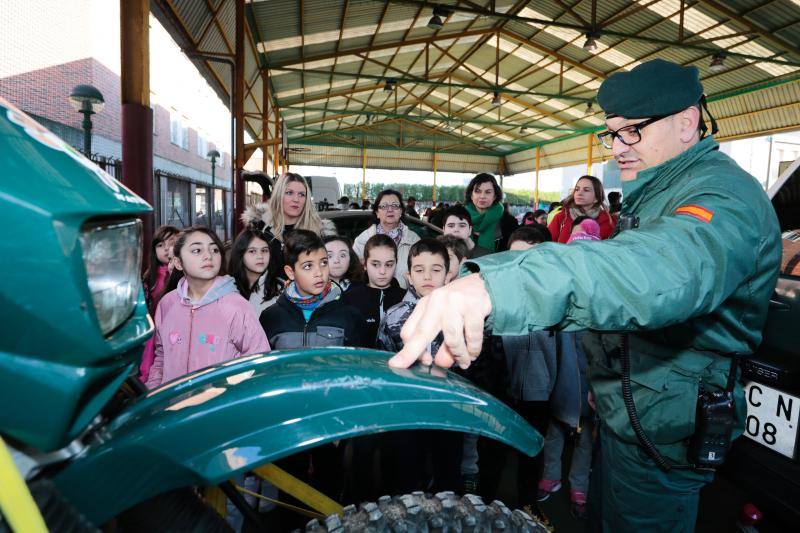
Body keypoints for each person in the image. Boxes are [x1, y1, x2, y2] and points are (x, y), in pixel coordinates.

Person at [387, 58, 781, 532]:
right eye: (611, 134)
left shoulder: (724, 195)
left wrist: (498, 284)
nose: (618, 148)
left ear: (686, 122)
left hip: (662, 434)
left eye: (631, 131)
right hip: (630, 414)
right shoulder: (659, 190)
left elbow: (660, 269)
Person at [377, 239, 461, 495]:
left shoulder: (461, 313)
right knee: (405, 479)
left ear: (448, 275)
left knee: (447, 478)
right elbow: (383, 360)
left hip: (450, 410)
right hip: (406, 410)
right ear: (408, 276)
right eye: (419, 269)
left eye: (436, 270)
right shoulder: (393, 315)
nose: (427, 276)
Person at [145, 227, 271, 389]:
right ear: (177, 262)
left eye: (214, 250)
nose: (208, 256)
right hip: (173, 407)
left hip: (218, 408)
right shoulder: (167, 304)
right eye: (197, 250)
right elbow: (161, 358)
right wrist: (153, 395)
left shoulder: (236, 306)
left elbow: (258, 361)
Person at [259, 230, 364, 349]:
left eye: (324, 263)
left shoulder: (349, 314)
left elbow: (357, 363)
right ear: (291, 272)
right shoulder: (271, 317)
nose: (319, 273)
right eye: (308, 266)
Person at [256, 173, 323, 284]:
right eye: (289, 193)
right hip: (266, 297)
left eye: (302, 194)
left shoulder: (317, 231)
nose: (296, 199)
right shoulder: (260, 229)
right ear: (278, 195)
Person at [342, 234, 405, 348]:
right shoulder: (350, 298)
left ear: (396, 263)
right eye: (375, 264)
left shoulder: (405, 298)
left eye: (389, 264)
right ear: (365, 264)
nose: (382, 271)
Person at [353, 189, 420, 289]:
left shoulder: (413, 240)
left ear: (401, 211)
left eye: (395, 206)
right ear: (377, 212)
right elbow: (354, 273)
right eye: (384, 206)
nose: (390, 209)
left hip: (404, 298)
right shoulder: (363, 239)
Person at [139, 225, 180, 382]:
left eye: (170, 243)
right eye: (160, 245)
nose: (165, 249)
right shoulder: (149, 277)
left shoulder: (185, 275)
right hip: (154, 331)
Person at [229, 223, 282, 318]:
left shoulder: (281, 289)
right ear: (241, 255)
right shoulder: (227, 288)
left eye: (264, 250)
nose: (260, 256)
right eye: (252, 251)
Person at [548, 175, 615, 243]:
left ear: (597, 198)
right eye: (577, 189)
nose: (579, 193)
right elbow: (547, 246)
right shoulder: (561, 217)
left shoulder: (608, 221)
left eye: (586, 190)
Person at [465, 173, 504, 253]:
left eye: (488, 192)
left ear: (495, 196)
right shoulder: (460, 217)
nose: (482, 196)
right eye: (478, 191)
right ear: (471, 195)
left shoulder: (507, 221)